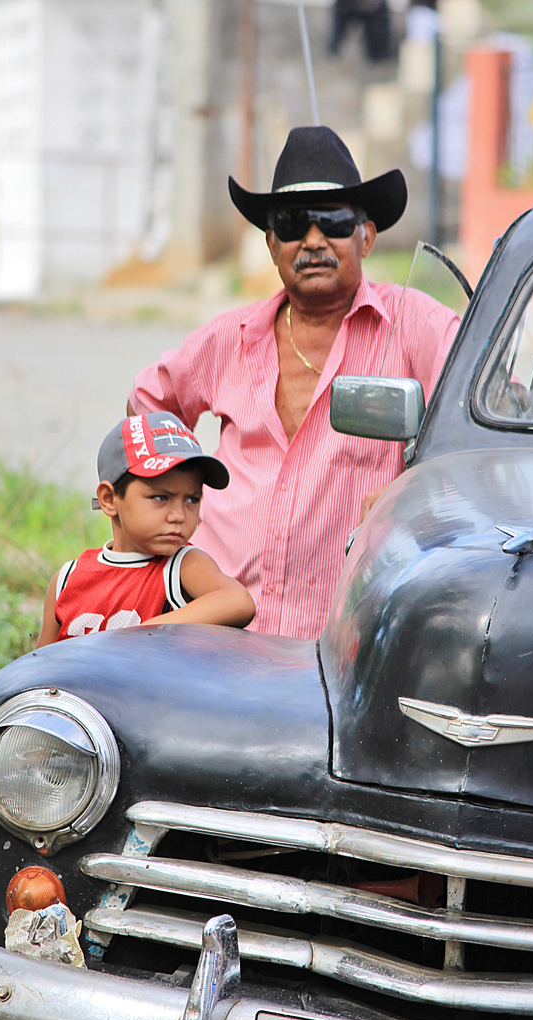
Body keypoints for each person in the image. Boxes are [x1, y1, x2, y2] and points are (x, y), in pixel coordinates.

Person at [129, 126, 460, 639]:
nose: (311, 241)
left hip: (349, 639)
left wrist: (414, 489)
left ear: (365, 236)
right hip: (220, 631)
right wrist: (179, 501)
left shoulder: (416, 325)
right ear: (270, 245)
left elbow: (480, 421)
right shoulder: (229, 339)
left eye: (331, 221)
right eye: (291, 225)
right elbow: (149, 401)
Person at [35, 412, 255, 647]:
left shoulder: (183, 566)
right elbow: (39, 666)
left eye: (192, 500)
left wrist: (140, 632)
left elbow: (238, 601)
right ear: (109, 499)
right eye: (160, 497)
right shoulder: (67, 580)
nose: (178, 516)